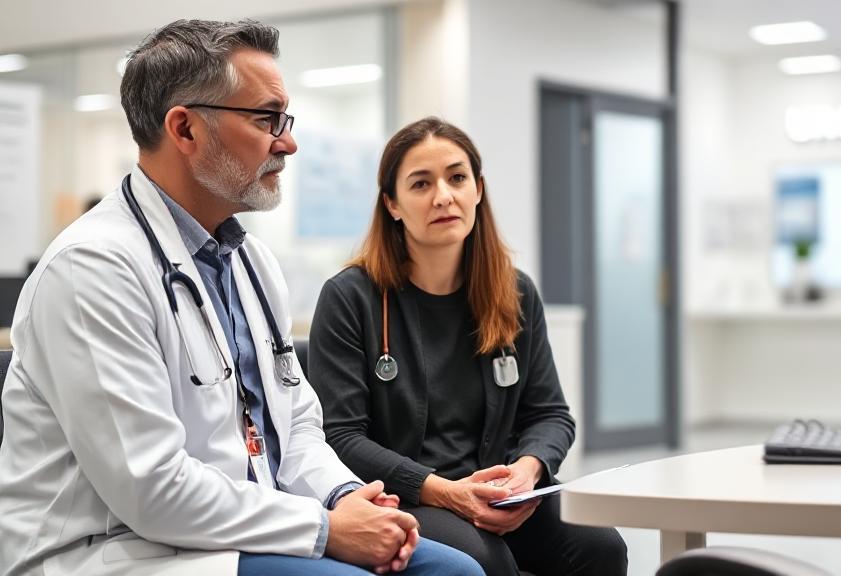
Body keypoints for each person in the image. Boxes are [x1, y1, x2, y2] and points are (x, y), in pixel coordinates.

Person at [0, 20, 483, 576]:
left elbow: (295, 425)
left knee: (456, 570)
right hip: (117, 552)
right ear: (185, 129)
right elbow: (151, 489)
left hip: (239, 528)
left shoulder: (249, 262)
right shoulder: (93, 269)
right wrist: (326, 530)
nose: (289, 141)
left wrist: (342, 497)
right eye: (266, 118)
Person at [307, 117, 629, 576]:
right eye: (421, 183)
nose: (444, 195)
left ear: (477, 189)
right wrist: (446, 491)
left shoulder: (513, 292)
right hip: (408, 495)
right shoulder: (351, 298)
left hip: (500, 489)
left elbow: (550, 414)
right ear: (392, 204)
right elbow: (340, 436)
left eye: (457, 178)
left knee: (601, 546)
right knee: (483, 561)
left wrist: (528, 470)